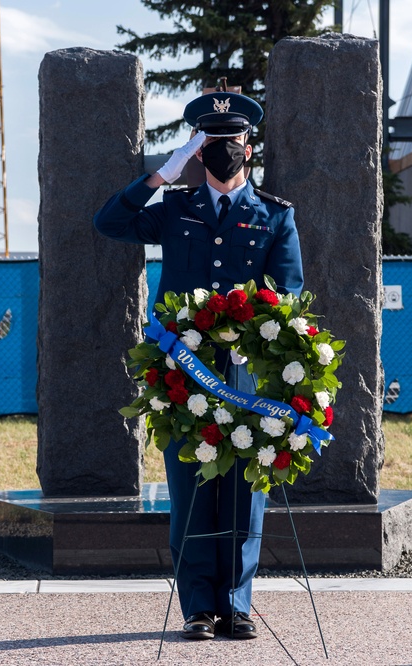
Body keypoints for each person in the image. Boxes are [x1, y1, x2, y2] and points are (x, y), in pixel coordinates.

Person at [93, 90, 303, 641]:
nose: (222, 151)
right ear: (197, 149)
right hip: (181, 375)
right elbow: (109, 223)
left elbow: (289, 291)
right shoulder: (176, 209)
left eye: (230, 142)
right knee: (188, 489)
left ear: (248, 148)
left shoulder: (275, 216)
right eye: (210, 143)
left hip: (244, 376)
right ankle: (198, 608)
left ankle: (237, 603)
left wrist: (250, 333)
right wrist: (161, 175)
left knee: (243, 491)